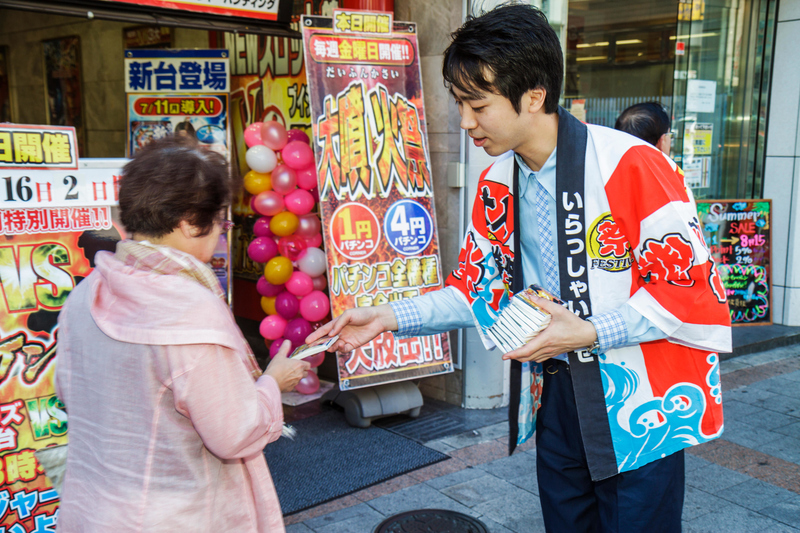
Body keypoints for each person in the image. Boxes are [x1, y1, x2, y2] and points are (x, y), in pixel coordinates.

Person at [308, 4, 731, 533]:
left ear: (534, 95)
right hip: (556, 395)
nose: (465, 122)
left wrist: (591, 330)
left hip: (641, 406)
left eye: (477, 104)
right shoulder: (498, 179)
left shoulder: (632, 164)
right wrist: (388, 317)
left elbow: (688, 291)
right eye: (460, 103)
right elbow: (476, 291)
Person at [56, 135, 309, 532]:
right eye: (222, 222)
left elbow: (69, 394)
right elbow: (234, 433)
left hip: (93, 509)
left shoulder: (85, 294)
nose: (223, 233)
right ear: (190, 222)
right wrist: (273, 383)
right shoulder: (189, 309)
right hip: (178, 515)